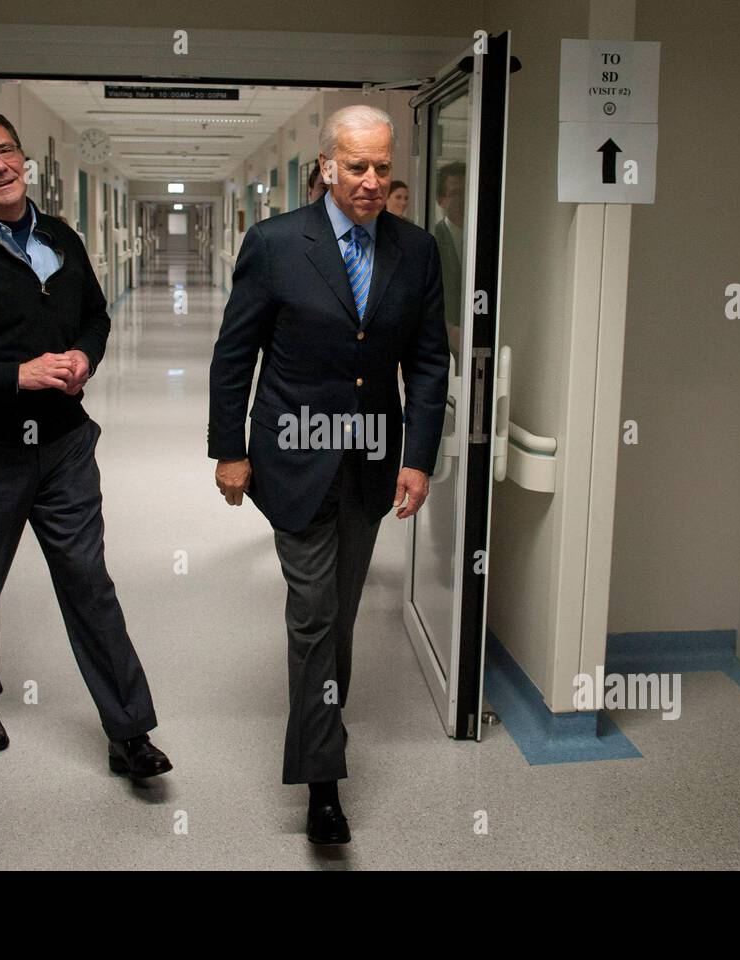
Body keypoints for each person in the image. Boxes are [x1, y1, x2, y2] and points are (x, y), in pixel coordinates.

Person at [209, 104, 448, 844]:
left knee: (338, 615)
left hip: (372, 468)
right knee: (312, 615)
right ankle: (322, 782)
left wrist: (416, 456)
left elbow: (430, 360)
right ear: (326, 165)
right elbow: (234, 352)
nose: (371, 181)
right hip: (293, 460)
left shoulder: (416, 250)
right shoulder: (277, 244)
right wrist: (230, 449)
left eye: (383, 167)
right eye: (356, 167)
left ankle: (324, 718)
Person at [0, 110, 172, 780]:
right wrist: (17, 375)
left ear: (23, 158)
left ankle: (130, 731)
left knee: (90, 583)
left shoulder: (61, 236)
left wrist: (85, 356)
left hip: (63, 446)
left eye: (7, 151)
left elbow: (94, 312)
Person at [431, 161, 465, 352]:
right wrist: (449, 330)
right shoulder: (432, 241)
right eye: (455, 194)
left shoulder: (482, 241)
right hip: (441, 348)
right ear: (440, 200)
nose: (463, 200)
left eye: (467, 193)